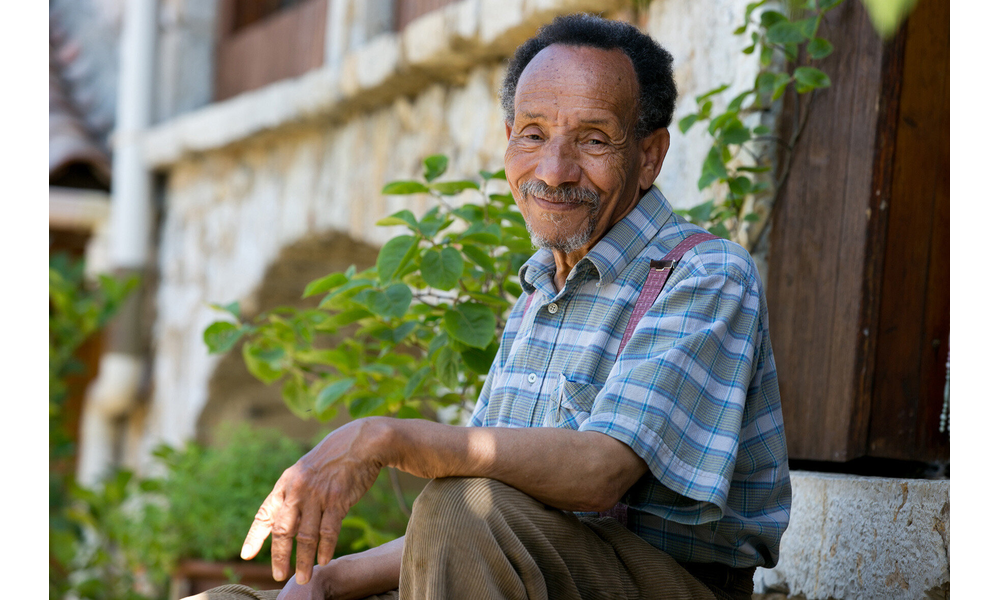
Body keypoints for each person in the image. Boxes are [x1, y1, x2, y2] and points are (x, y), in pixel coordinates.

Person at [191, 13, 790, 600]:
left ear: (651, 156)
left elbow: (597, 474)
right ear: (509, 142)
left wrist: (383, 436)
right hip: (537, 574)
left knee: (462, 502)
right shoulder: (539, 293)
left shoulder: (703, 274)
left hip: (665, 585)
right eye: (533, 133)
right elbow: (482, 534)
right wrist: (327, 579)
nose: (554, 172)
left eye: (593, 139)